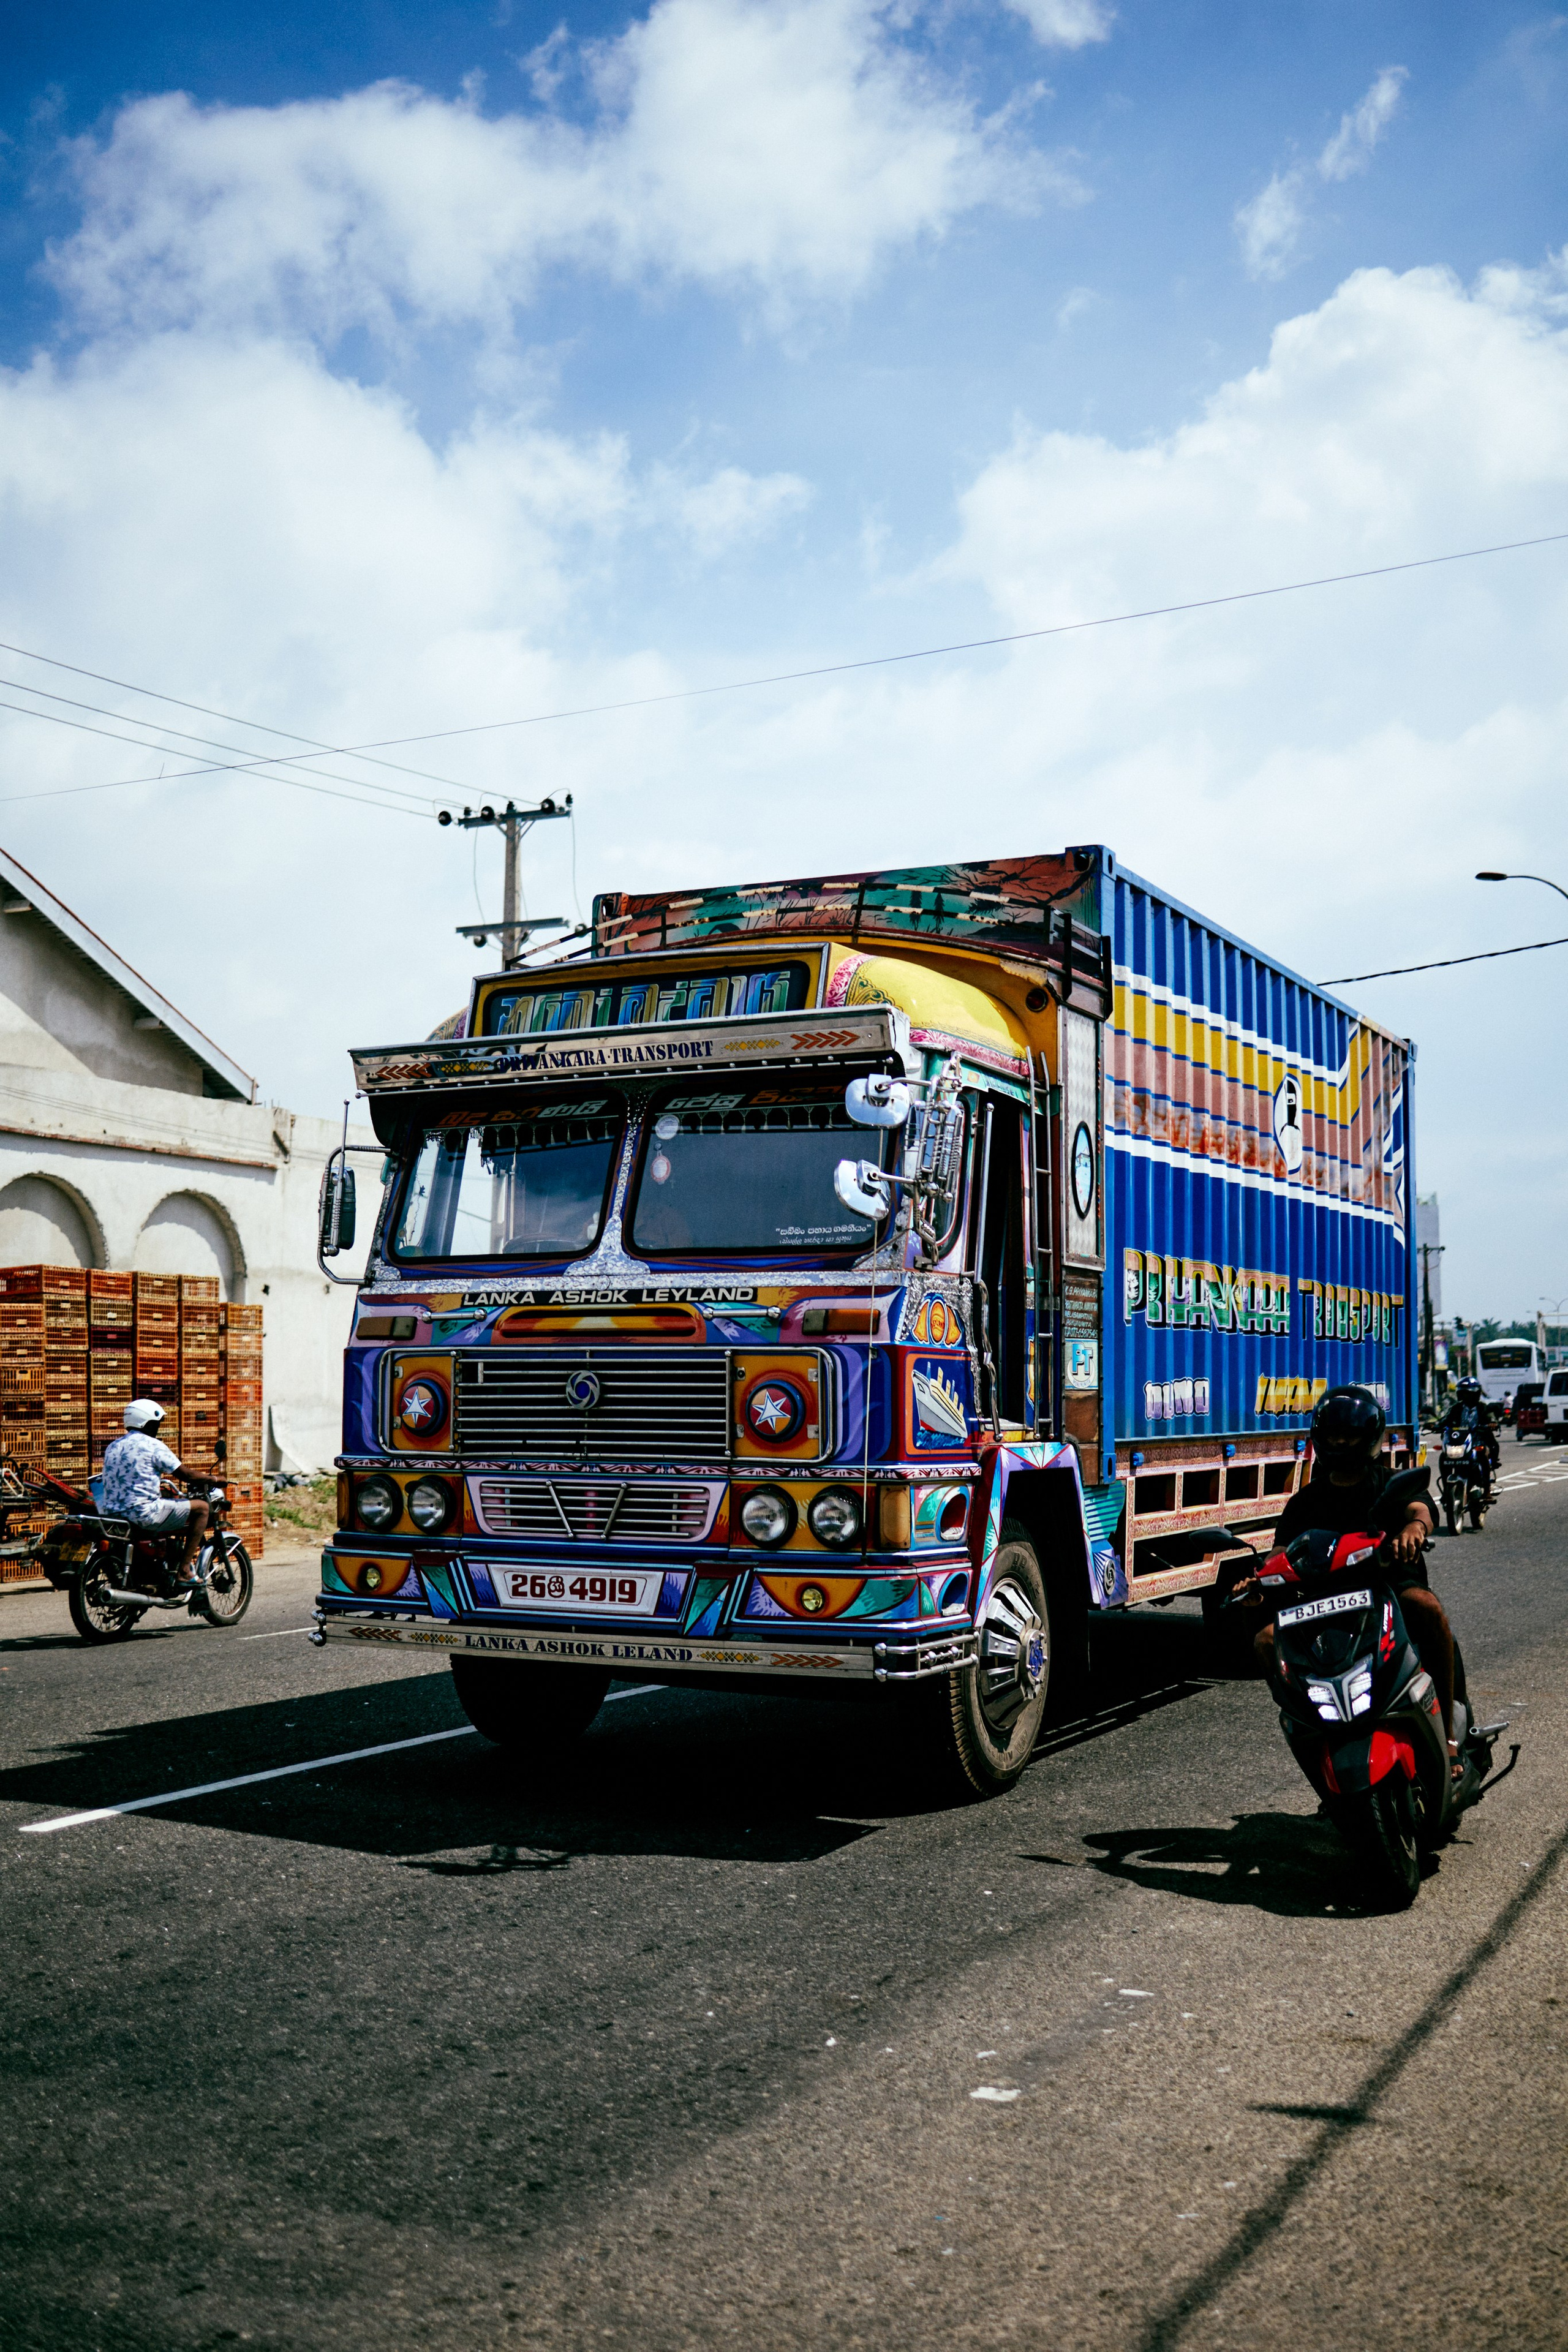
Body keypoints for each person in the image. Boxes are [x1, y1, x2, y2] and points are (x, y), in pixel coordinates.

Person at [1247, 1384, 1463, 1773]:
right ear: (1320, 1437)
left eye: (1350, 1434)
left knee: (1426, 1607)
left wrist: (1414, 1528)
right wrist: (1256, 1580)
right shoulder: (1305, 1501)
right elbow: (1280, 1552)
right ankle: (1312, 1736)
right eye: (1333, 1435)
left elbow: (1420, 1508)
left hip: (1388, 1590)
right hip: (1324, 1602)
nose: (1341, 1442)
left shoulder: (1389, 1482)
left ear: (1371, 1437)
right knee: (1265, 1640)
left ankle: (1447, 1737)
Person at [100, 1398, 210, 1587]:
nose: (158, 1428)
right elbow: (186, 1475)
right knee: (202, 1509)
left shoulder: (113, 1446)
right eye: (156, 1424)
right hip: (143, 1515)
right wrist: (214, 1479)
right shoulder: (153, 1445)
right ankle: (184, 1570)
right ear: (148, 1423)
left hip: (112, 1515)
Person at [1439, 1376, 1500, 1489]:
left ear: (1476, 1394)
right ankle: (1447, 1490)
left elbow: (1490, 1416)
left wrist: (1492, 1423)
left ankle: (1487, 1489)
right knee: (1444, 1457)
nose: (1466, 1396)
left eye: (1468, 1393)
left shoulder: (1483, 1408)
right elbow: (1446, 1420)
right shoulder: (1456, 1408)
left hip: (1478, 1442)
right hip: (1460, 1442)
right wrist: (1435, 1425)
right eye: (1463, 1393)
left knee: (1483, 1454)